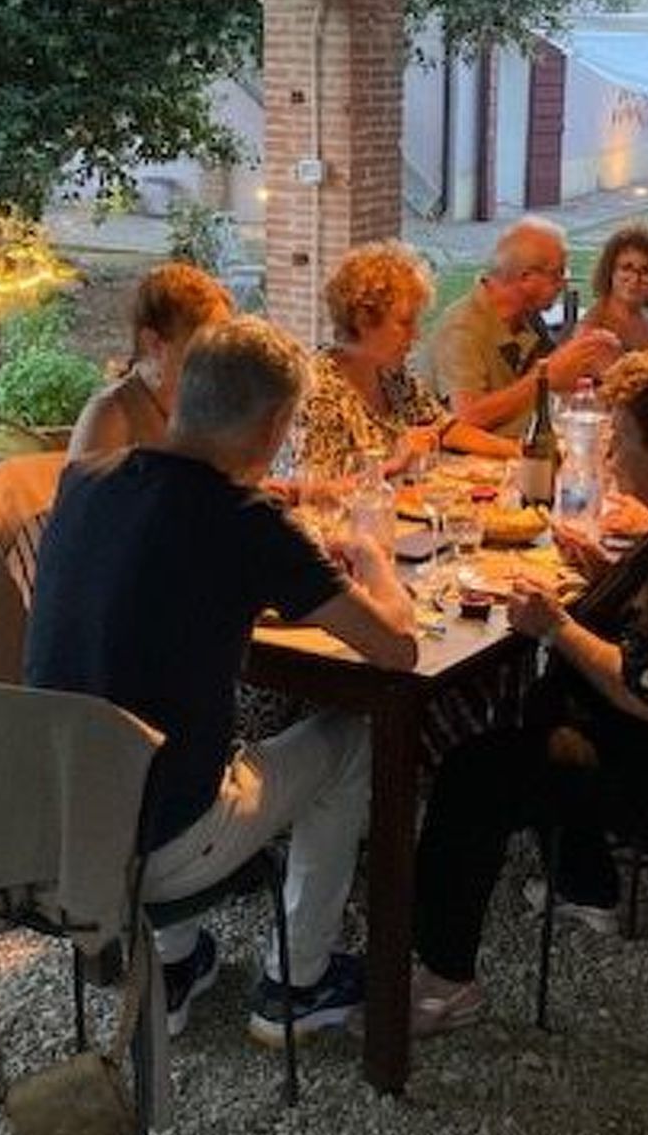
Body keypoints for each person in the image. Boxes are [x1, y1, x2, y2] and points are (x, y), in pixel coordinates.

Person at [24, 317, 419, 1045]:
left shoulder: (85, 480)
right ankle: (298, 981)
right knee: (354, 736)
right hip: (158, 842)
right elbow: (395, 649)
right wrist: (373, 562)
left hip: (44, 819)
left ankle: (175, 963)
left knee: (169, 716)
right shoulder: (245, 519)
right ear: (274, 427)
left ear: (182, 398)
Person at [405, 348, 648, 1035]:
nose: (607, 450)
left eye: (621, 438)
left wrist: (556, 627)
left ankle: (444, 981)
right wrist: (612, 575)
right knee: (540, 713)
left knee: (474, 772)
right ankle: (585, 886)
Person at [296, 240, 519, 479]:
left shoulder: (391, 374)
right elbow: (314, 494)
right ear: (363, 321)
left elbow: (444, 427)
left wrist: (519, 451)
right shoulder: (319, 390)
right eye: (404, 323)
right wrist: (395, 464)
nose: (416, 334)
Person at [422, 215, 621, 439]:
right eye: (558, 273)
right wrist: (544, 377)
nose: (564, 283)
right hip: (464, 464)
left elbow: (556, 381)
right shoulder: (462, 329)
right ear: (526, 278)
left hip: (518, 450)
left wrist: (584, 355)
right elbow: (467, 416)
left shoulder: (527, 316)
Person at [66, 262, 232, 461]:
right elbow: (83, 492)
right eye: (204, 344)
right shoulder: (110, 416)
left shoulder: (206, 408)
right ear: (153, 343)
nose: (219, 356)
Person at [579, 221, 648, 352]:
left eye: (646, 271)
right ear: (610, 271)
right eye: (626, 268)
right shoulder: (593, 330)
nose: (635, 279)